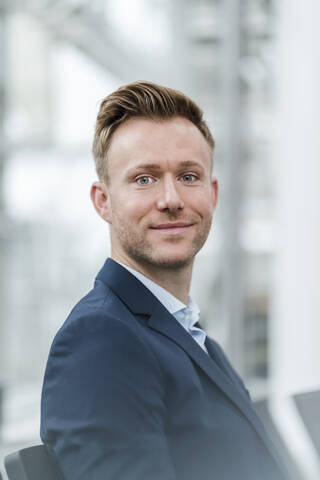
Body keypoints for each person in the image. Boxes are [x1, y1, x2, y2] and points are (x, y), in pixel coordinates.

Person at [40, 81, 289, 480]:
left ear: (212, 194)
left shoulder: (182, 329)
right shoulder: (99, 339)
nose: (171, 198)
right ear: (103, 201)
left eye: (189, 176)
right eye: (144, 179)